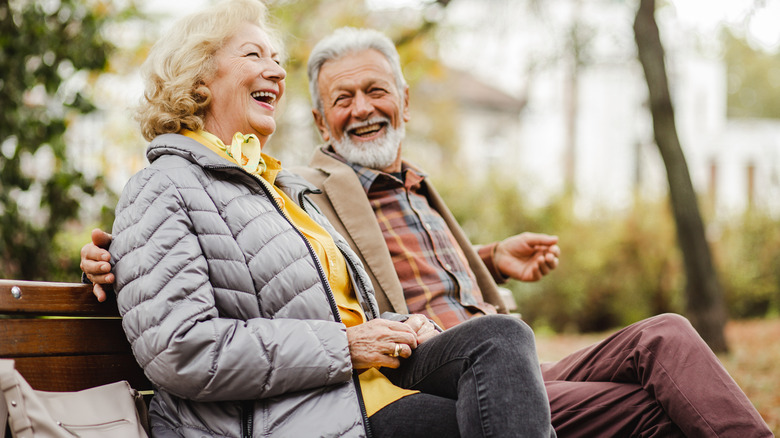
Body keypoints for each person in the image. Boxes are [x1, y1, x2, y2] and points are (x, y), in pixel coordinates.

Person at [83, 22, 773, 438]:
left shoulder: (286, 187)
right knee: (611, 397)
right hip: (386, 383)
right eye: (340, 99)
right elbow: (182, 321)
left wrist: (491, 259)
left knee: (664, 341)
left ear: (406, 101)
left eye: (376, 92)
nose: (275, 70)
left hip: (445, 364)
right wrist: (112, 262)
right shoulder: (300, 180)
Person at [106, 1, 554, 437]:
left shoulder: (277, 188)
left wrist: (400, 325)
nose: (279, 72)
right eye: (254, 54)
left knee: (502, 337)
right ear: (198, 77)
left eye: (277, 58)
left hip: (361, 388)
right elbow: (181, 351)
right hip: (292, 413)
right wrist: (349, 345)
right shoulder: (162, 186)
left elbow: (327, 309)